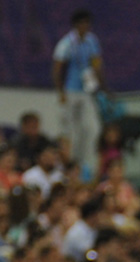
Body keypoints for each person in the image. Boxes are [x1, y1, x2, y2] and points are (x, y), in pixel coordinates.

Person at [52, 8, 104, 174]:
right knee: (68, 129)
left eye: (87, 23)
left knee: (90, 128)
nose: (85, 26)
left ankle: (81, 162)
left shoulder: (92, 40)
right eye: (82, 23)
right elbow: (57, 69)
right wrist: (61, 92)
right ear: (76, 25)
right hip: (71, 90)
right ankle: (65, 162)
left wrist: (103, 87)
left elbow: (97, 64)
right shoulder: (67, 42)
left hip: (86, 91)